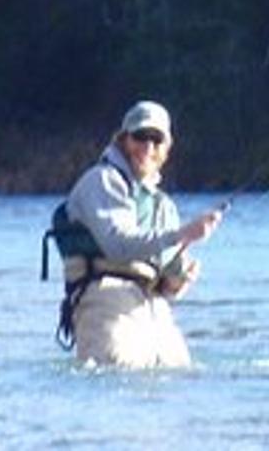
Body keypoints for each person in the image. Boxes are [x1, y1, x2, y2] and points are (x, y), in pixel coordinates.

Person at [56, 101, 225, 368]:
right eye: (140, 137)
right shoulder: (101, 181)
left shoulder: (163, 205)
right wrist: (181, 234)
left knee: (184, 372)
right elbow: (118, 245)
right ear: (123, 139)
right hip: (106, 299)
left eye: (157, 140)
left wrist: (182, 276)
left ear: (166, 150)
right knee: (116, 371)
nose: (148, 147)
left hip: (154, 308)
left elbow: (169, 285)